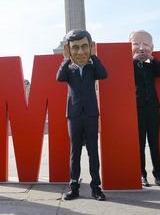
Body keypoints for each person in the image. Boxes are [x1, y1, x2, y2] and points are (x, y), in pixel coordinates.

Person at [57, 29, 108, 201]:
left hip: (91, 114)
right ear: (69, 50)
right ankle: (74, 186)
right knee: (75, 152)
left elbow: (104, 74)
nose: (80, 52)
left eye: (84, 47)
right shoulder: (69, 70)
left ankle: (96, 187)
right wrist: (65, 59)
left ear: (90, 47)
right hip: (74, 115)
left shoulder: (92, 69)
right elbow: (59, 77)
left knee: (93, 151)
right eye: (75, 48)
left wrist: (93, 55)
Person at [128, 30, 160, 187]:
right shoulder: (129, 64)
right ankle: (142, 175)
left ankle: (158, 175)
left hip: (152, 108)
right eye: (137, 44)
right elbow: (122, 74)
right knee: (139, 144)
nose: (141, 48)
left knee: (154, 143)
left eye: (145, 45)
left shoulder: (150, 65)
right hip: (137, 109)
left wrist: (151, 58)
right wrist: (134, 60)